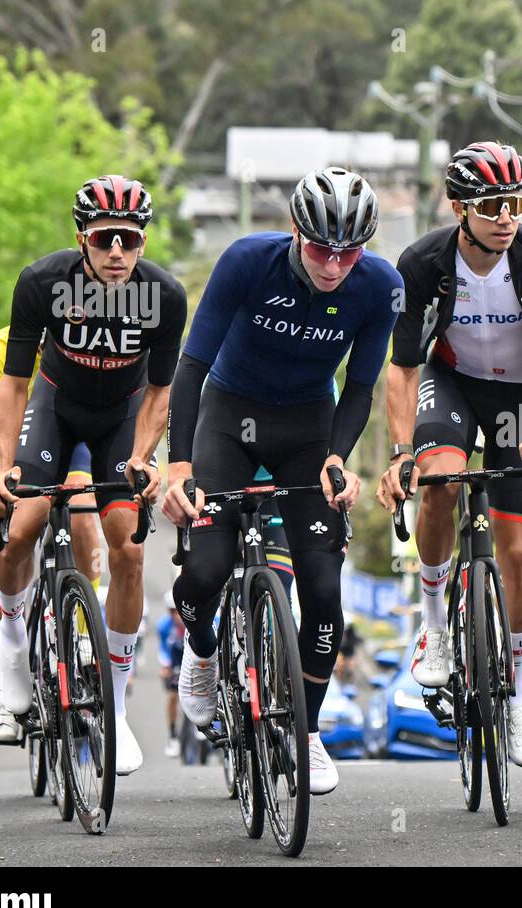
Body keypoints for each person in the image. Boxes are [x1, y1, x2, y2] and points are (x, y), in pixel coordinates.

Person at [162, 166, 402, 797]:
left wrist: (337, 458)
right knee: (206, 571)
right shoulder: (248, 262)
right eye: (322, 247)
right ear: (297, 232)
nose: (334, 264)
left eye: (349, 250)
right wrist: (181, 464)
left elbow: (359, 386)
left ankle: (308, 730)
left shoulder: (380, 286)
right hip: (227, 419)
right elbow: (191, 365)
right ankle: (204, 652)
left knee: (322, 586)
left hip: (307, 427)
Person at [0, 175, 187, 774]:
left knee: (129, 552)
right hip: (54, 407)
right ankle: (12, 646)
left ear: (142, 242)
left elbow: (159, 391)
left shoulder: (166, 297)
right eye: (104, 240)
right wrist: (0, 468)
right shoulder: (43, 282)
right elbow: (14, 384)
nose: (117, 251)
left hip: (120, 418)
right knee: (21, 526)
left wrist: (144, 457)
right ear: (82, 239)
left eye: (129, 239)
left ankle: (116, 708)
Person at [376, 142, 522, 769]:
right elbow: (402, 369)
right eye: (491, 205)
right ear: (460, 208)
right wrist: (402, 453)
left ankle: (514, 701)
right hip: (452, 382)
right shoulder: (422, 261)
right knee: (440, 481)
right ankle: (433, 621)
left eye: (516, 202)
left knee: (515, 552)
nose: (506, 216)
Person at [0, 325, 103, 743]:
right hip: (20, 445)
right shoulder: (3, 347)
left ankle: (83, 626)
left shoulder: (94, 343)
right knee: (14, 536)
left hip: (76, 432)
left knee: (82, 511)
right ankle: (5, 676)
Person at [156, 590, 186, 758]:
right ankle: (173, 734)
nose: (176, 616)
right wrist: (165, 666)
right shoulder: (164, 626)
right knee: (173, 696)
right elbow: (164, 650)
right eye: (172, 612)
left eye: (179, 611)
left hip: (192, 654)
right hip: (175, 658)